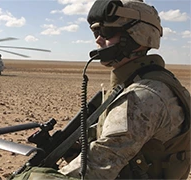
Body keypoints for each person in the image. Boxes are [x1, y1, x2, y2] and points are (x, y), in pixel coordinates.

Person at [12, 0, 190, 179]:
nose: (98, 39)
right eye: (96, 32)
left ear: (138, 36)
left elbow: (96, 166)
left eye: (107, 32)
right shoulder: (152, 81)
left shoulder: (141, 96)